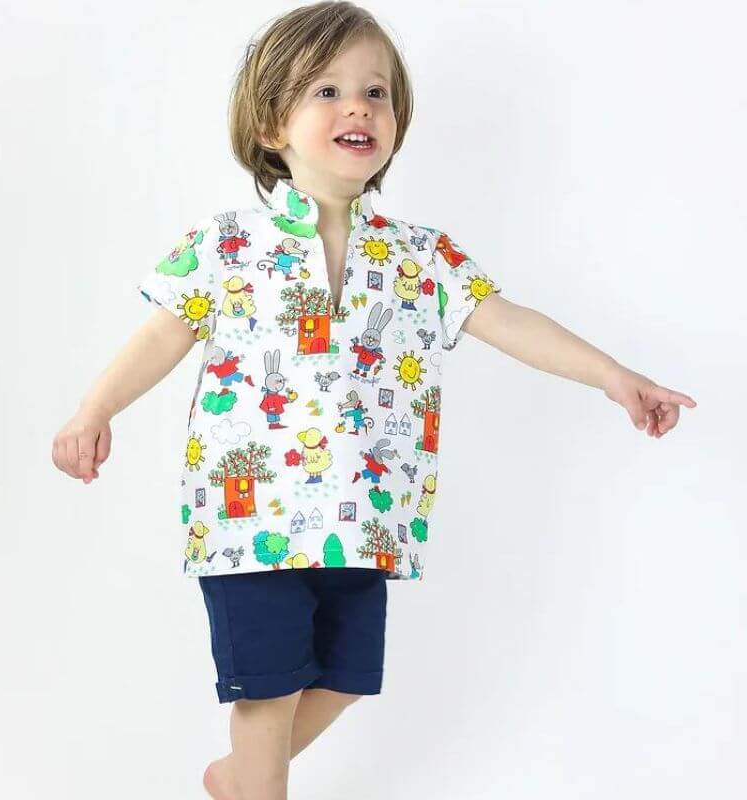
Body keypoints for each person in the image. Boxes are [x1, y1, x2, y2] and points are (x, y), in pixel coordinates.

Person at [50, 3, 698, 798]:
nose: (357, 106)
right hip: (249, 517)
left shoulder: (421, 255)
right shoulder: (226, 244)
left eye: (376, 92)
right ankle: (257, 785)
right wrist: (94, 411)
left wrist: (612, 375)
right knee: (269, 688)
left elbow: (509, 321)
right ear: (270, 125)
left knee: (348, 675)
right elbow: (161, 335)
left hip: (366, 514)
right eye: (326, 91)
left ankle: (239, 777)